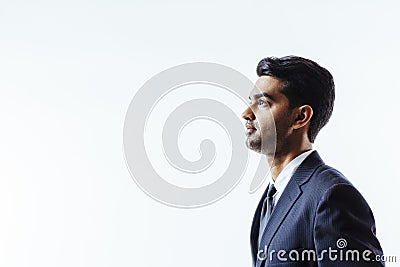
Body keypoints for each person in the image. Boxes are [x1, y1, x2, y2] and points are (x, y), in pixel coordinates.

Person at [242, 56, 384, 266]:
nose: (246, 114)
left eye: (263, 103)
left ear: (300, 117)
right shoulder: (273, 196)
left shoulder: (331, 196)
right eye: (250, 102)